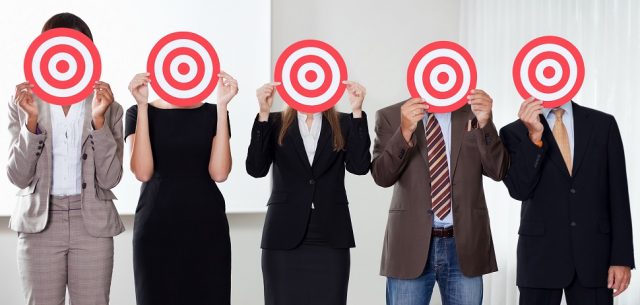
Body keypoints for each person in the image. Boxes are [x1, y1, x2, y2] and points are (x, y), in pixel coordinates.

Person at [7, 12, 125, 305]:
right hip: (39, 222)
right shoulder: (23, 103)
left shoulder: (109, 106)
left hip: (92, 224)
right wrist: (31, 122)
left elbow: (111, 178)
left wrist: (99, 121)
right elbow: (18, 176)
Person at [371, 90, 509, 305]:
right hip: (409, 244)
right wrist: (405, 131)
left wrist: (485, 123)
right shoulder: (391, 115)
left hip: (465, 245)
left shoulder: (473, 113)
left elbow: (497, 170)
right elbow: (382, 176)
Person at [246, 81, 371, 305]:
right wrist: (263, 113)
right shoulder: (275, 122)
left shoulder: (344, 122)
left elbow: (360, 167)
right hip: (283, 235)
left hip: (331, 235)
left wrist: (357, 111)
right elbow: (256, 168)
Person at [500, 98, 635, 305]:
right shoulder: (514, 132)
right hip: (540, 256)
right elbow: (519, 190)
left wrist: (622, 258)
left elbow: (618, 194)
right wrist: (534, 137)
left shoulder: (603, 124)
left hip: (594, 256)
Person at [125, 71, 237, 305]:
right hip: (155, 230)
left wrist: (222, 107)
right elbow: (143, 172)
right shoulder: (137, 112)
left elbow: (219, 172)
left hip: (206, 230)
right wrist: (143, 106)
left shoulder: (213, 113)